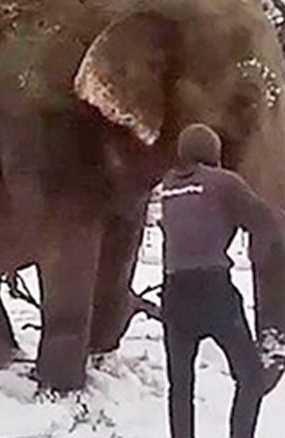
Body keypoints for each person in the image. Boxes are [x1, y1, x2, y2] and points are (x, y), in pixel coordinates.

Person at [160, 123, 278, 438]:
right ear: (215, 153)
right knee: (251, 378)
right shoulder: (224, 182)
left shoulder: (167, 187)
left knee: (180, 387)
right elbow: (266, 221)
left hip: (173, 294)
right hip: (213, 292)